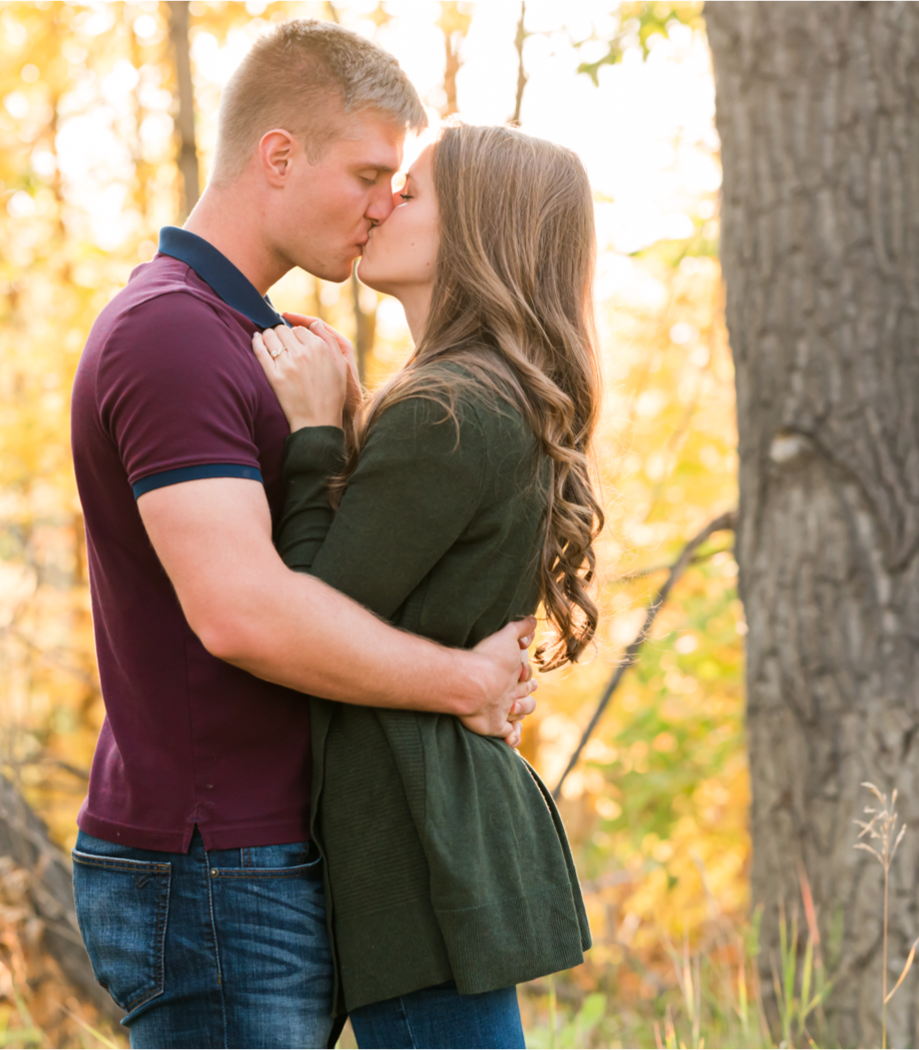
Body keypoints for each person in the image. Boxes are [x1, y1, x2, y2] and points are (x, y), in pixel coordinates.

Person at [67, 21, 538, 1049]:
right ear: (278, 156)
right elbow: (242, 614)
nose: (385, 204)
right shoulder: (173, 333)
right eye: (370, 172)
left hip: (269, 848)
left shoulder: (255, 341)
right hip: (211, 861)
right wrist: (462, 682)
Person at [250, 123, 600, 1049]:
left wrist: (317, 435)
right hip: (444, 833)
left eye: (413, 192)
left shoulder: (449, 407)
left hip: (415, 850)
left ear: (478, 233)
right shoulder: (486, 395)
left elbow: (310, 614)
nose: (383, 204)